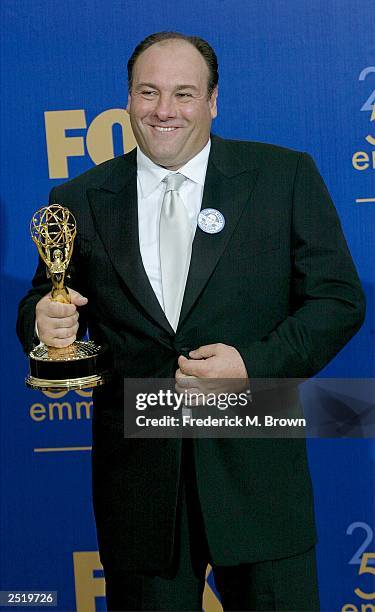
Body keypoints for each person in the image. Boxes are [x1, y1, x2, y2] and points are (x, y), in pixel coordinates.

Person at [17, 32, 365, 611]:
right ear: (127, 100)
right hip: (142, 493)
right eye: (148, 92)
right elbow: (44, 301)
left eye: (183, 93)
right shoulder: (78, 198)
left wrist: (253, 364)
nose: (164, 110)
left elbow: (338, 302)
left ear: (212, 101)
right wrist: (44, 323)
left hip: (258, 477)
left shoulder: (284, 177)